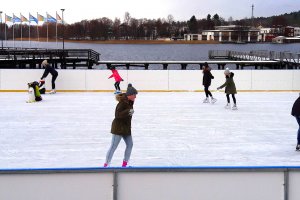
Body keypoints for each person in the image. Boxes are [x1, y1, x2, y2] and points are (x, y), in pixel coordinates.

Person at [104, 83, 138, 167]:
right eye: (134, 95)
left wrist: (129, 87)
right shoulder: (122, 103)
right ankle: (106, 165)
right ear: (129, 95)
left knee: (130, 144)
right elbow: (117, 115)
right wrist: (128, 112)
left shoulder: (129, 102)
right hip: (118, 128)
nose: (135, 97)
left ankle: (125, 164)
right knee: (113, 146)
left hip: (126, 128)